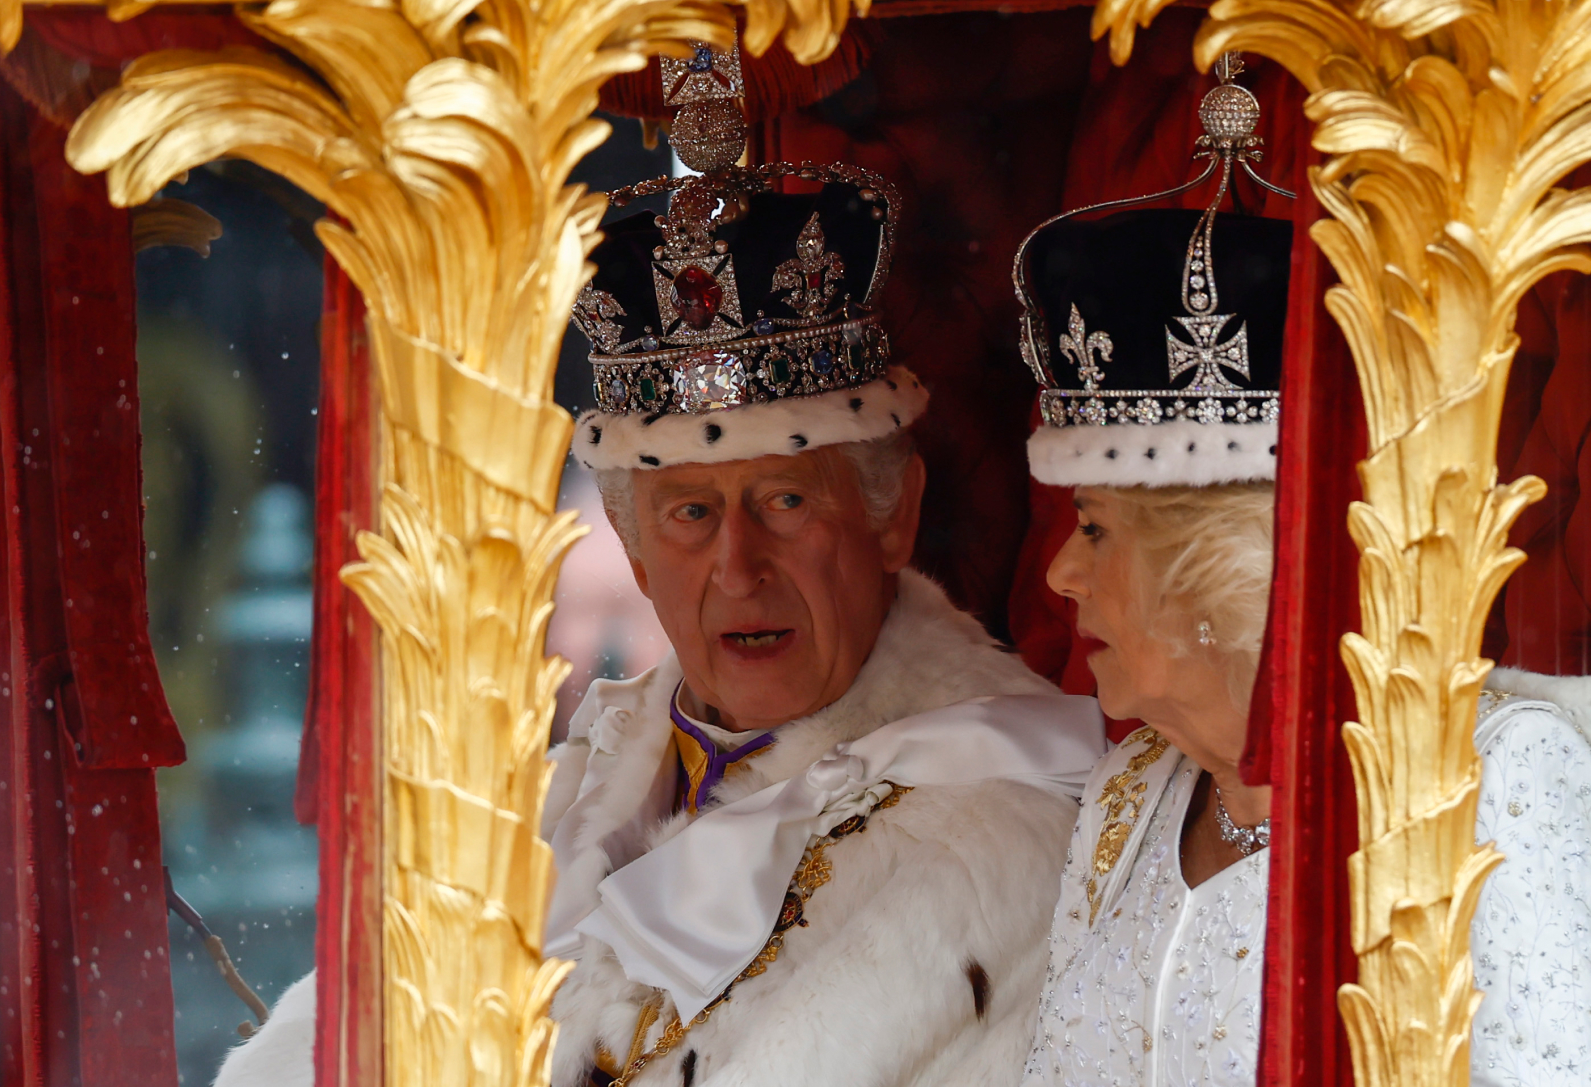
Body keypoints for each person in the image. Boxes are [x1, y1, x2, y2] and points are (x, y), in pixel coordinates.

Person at [211, 43, 1106, 1087]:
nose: (736, 565)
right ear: (631, 547)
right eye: (688, 512)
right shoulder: (570, 787)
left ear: (891, 516)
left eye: (783, 500)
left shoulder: (1014, 836)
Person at [1012, 63, 1591, 1087]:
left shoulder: (1499, 775)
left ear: (1235, 558)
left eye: (1097, 527)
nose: (1062, 574)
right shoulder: (1129, 794)